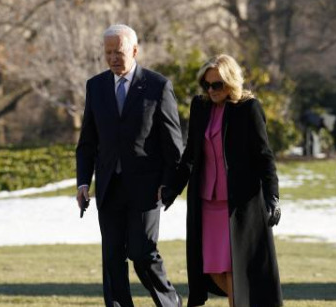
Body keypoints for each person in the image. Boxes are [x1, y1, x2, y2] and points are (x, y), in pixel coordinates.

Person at [75, 24, 183, 307]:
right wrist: (83, 182)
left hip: (146, 189)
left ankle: (169, 303)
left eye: (118, 52)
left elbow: (173, 144)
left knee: (142, 252)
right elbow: (87, 141)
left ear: (134, 51)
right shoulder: (95, 86)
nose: (113, 58)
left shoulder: (158, 86)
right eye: (108, 52)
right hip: (109, 186)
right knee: (111, 257)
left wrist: (169, 184)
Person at [162, 54, 283, 307]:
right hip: (207, 202)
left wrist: (273, 197)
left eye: (217, 85)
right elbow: (190, 154)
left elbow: (264, 156)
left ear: (230, 82)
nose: (211, 90)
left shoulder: (248, 108)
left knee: (235, 269)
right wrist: (172, 189)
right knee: (213, 269)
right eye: (206, 84)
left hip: (240, 204)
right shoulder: (200, 106)